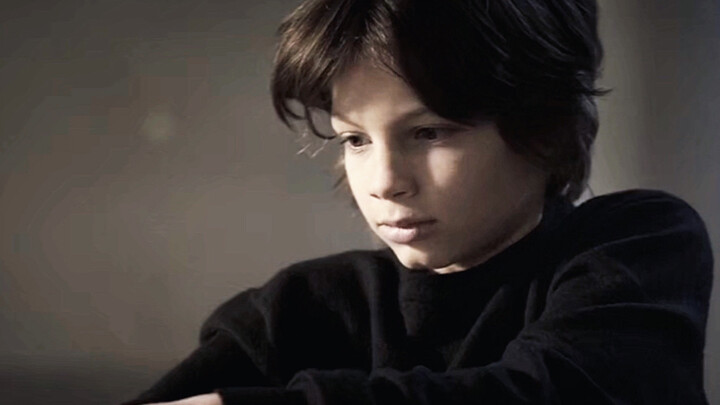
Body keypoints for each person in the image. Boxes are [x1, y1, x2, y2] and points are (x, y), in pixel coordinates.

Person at [123, 0, 714, 404]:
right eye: (355, 139)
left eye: (429, 132)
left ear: (544, 128)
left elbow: (553, 391)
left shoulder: (639, 246)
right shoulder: (295, 309)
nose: (384, 182)